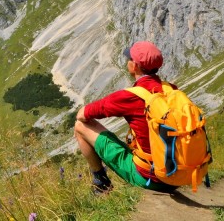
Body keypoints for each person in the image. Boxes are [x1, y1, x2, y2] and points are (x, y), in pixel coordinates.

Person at [74, 40, 178, 194]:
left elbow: (82, 115)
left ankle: (101, 184)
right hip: (177, 173)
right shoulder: (171, 90)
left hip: (150, 178)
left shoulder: (130, 96)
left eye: (129, 58)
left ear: (134, 66)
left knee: (80, 126)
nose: (127, 61)